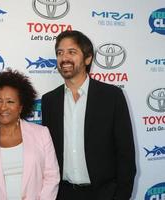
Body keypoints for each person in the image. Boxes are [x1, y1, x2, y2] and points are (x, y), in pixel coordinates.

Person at [41, 30, 136, 200]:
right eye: (60, 53)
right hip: (62, 194)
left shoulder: (112, 96)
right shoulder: (49, 101)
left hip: (104, 194)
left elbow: (125, 155)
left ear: (88, 58)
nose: (64, 58)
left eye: (72, 52)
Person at [0, 69, 60, 199]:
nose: (3, 107)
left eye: (10, 101)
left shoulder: (41, 134)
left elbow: (51, 176)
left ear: (21, 107)